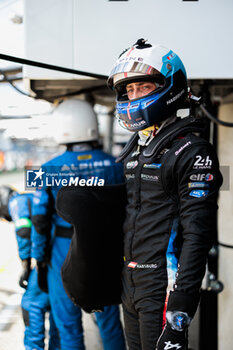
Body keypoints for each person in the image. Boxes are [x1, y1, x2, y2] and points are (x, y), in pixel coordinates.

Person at [107, 38, 223, 350]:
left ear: (167, 87)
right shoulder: (136, 146)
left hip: (163, 286)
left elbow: (198, 235)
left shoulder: (192, 149)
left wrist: (179, 312)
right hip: (130, 283)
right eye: (128, 90)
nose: (133, 96)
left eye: (142, 87)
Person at [31, 99, 126, 350]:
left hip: (63, 251)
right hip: (105, 251)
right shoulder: (117, 165)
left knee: (68, 327)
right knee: (110, 323)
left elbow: (39, 220)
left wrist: (38, 258)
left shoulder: (48, 169)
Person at [0, 185, 60, 350]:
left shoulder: (16, 203)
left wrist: (26, 266)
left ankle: (34, 347)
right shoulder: (29, 197)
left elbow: (24, 231)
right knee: (56, 306)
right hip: (61, 253)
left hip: (46, 257)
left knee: (31, 303)